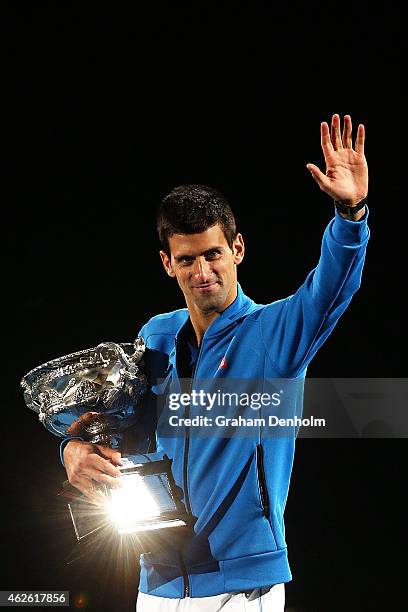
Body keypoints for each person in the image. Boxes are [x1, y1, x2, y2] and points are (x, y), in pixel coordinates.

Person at [62, 114, 369, 611]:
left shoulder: (273, 335)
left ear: (237, 250)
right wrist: (75, 449)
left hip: (241, 586)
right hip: (157, 577)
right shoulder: (155, 336)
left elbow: (331, 287)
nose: (202, 272)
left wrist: (350, 214)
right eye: (187, 260)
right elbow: (124, 430)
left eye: (213, 255)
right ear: (168, 263)